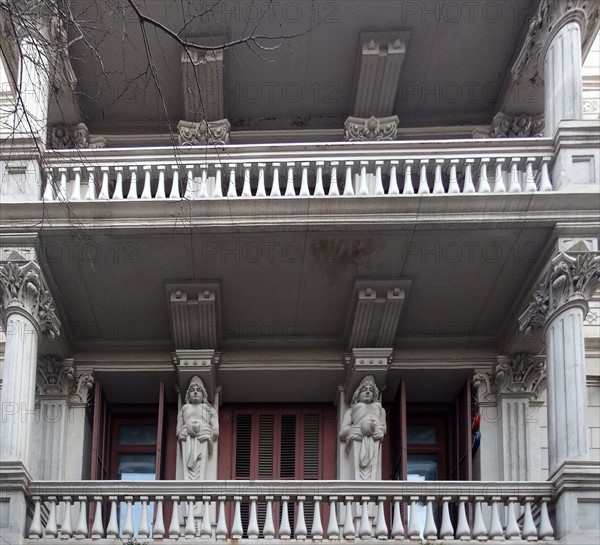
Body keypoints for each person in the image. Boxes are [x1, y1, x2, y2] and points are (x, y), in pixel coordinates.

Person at [339, 375, 386, 480]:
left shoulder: (380, 410)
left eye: (371, 390)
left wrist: (375, 430)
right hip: (357, 437)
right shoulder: (351, 410)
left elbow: (383, 428)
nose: (368, 392)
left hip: (374, 437)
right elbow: (342, 432)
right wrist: (359, 430)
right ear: (358, 394)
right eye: (364, 389)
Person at [177, 376, 219, 480]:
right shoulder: (184, 409)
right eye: (192, 390)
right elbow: (178, 430)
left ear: (203, 395)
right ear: (188, 395)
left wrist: (205, 430)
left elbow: (215, 430)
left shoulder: (208, 408)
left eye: (198, 390)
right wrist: (187, 430)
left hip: (203, 435)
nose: (195, 392)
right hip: (187, 436)